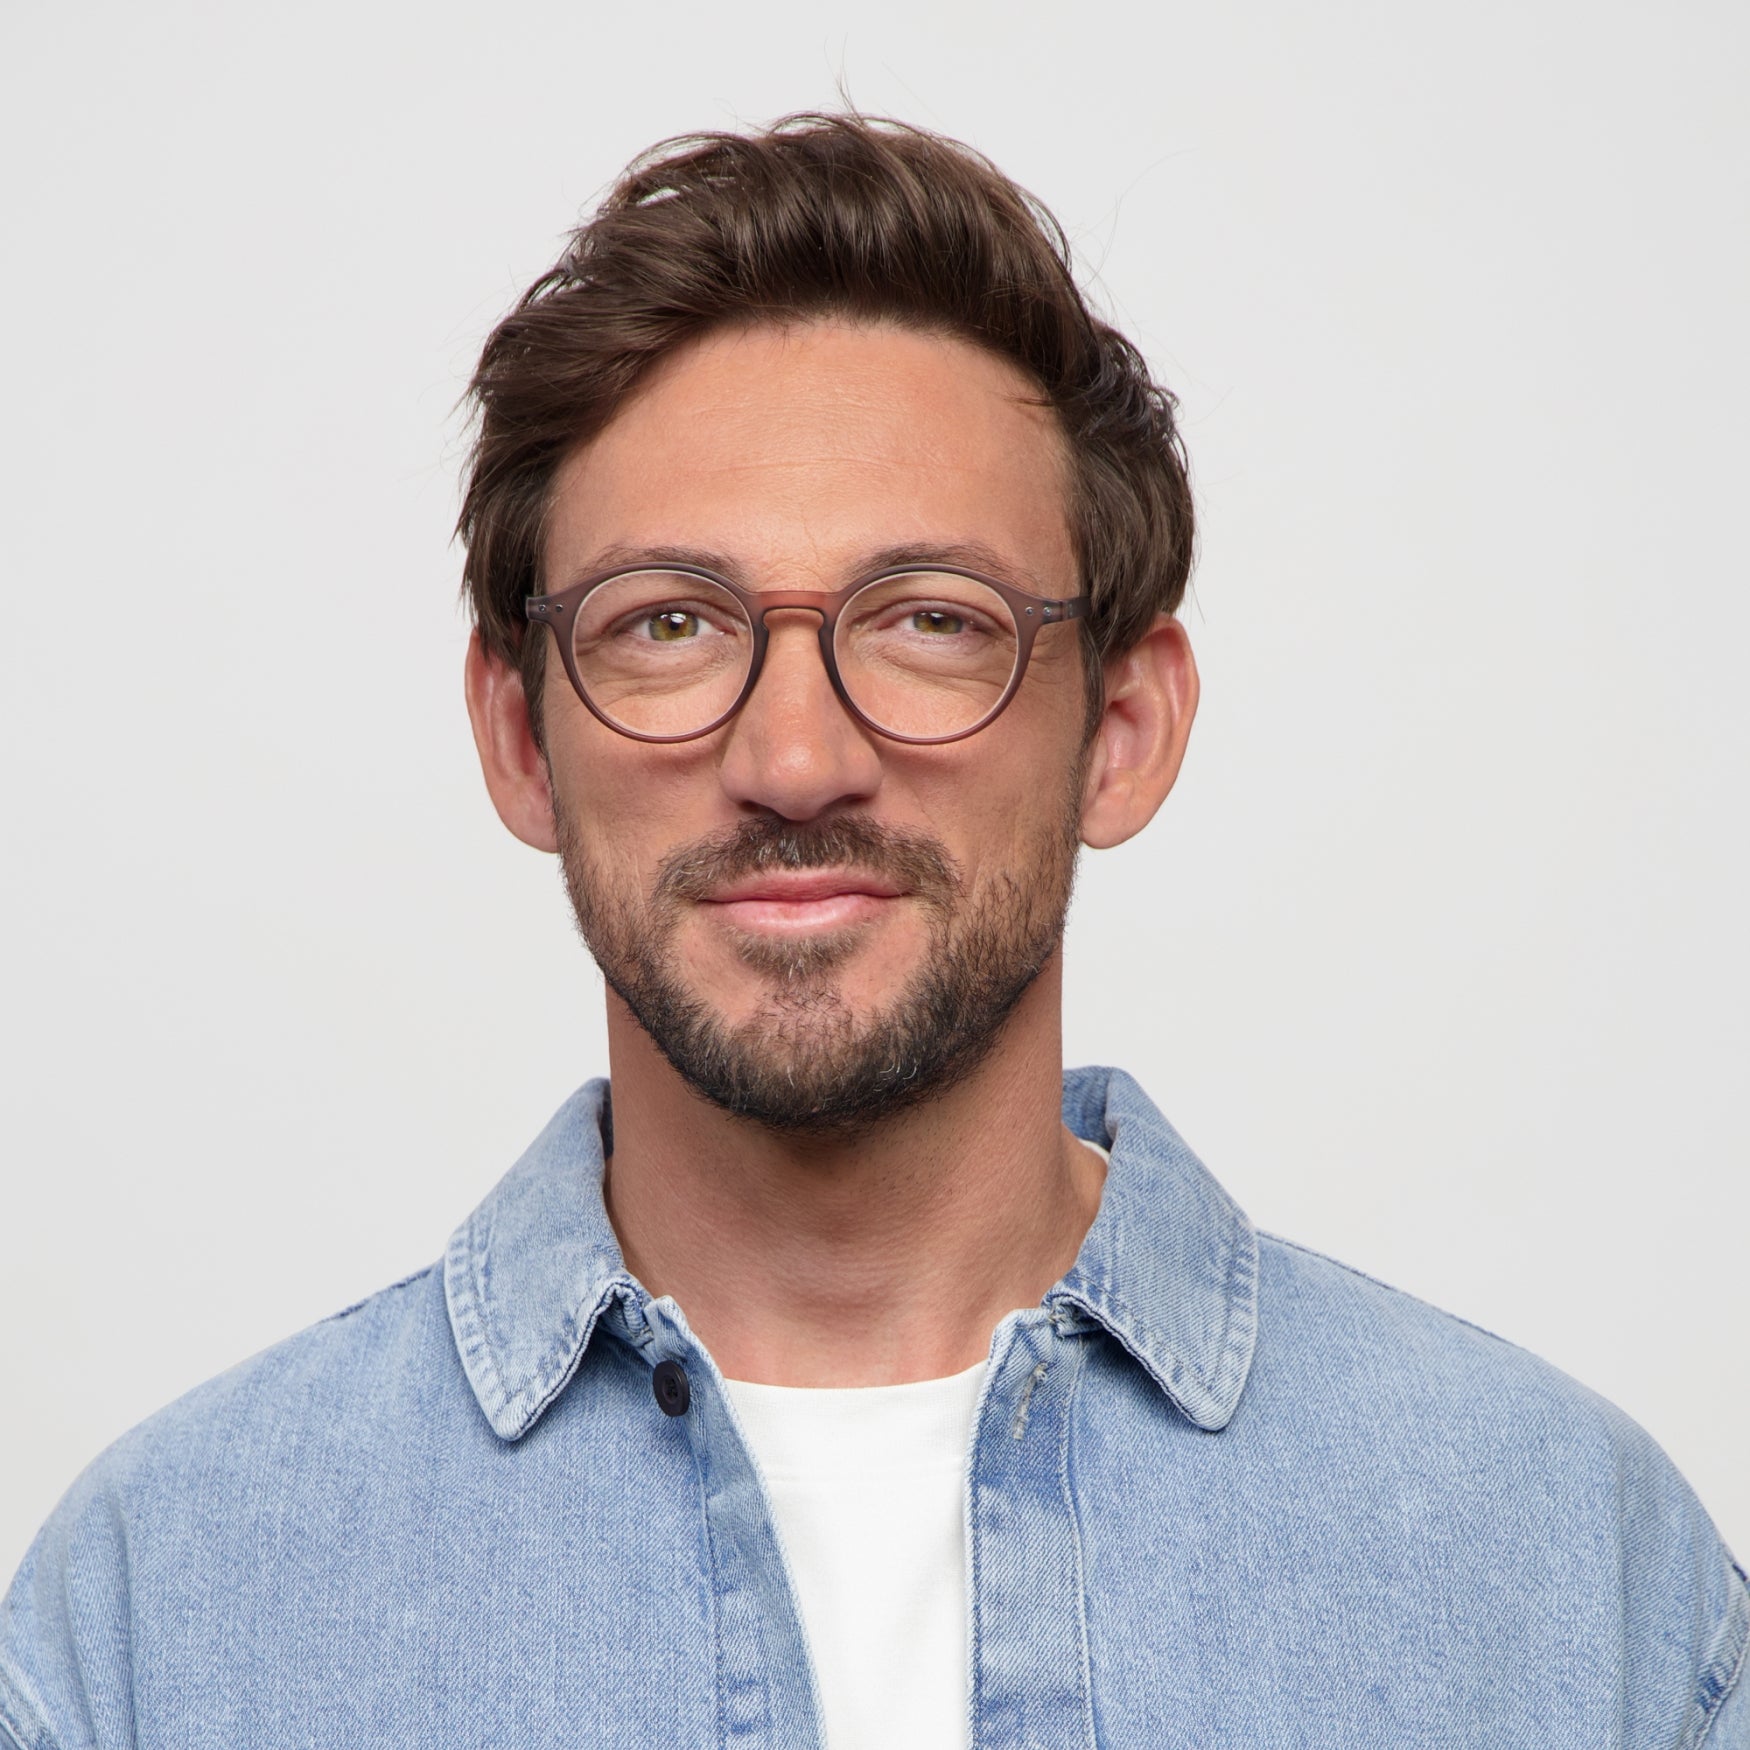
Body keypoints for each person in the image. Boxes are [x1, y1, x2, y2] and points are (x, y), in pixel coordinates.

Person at [2, 113, 1743, 1750]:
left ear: (1122, 729)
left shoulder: (1570, 1577)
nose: (793, 759)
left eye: (927, 620)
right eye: (667, 623)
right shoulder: (161, 1614)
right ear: (521, 736)